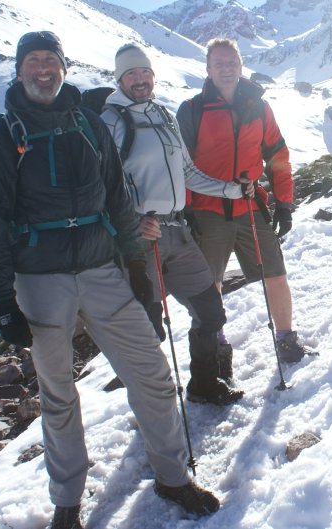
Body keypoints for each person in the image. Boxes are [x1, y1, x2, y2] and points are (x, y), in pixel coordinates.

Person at [0, 31, 219, 529]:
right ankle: (68, 503)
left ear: (63, 67)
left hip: (103, 267)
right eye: (33, 62)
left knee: (151, 372)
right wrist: (2, 301)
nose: (43, 69)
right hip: (40, 279)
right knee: (58, 392)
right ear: (19, 70)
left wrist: (135, 266)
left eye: (51, 61)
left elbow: (116, 197)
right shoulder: (4, 133)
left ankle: (172, 476)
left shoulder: (88, 122)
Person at [100, 43, 248, 406]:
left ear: (153, 75)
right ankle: (156, 404)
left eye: (145, 72)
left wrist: (230, 190)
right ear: (120, 79)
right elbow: (101, 184)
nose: (140, 79)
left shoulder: (163, 117)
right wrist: (134, 221)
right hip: (139, 242)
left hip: (179, 233)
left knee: (210, 311)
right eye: (131, 73)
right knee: (148, 328)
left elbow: (186, 172)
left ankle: (204, 384)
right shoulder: (109, 122)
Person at [177, 38, 313, 364]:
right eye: (219, 63)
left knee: (275, 273)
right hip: (207, 210)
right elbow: (178, 165)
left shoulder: (258, 106)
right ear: (208, 70)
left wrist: (283, 203)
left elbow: (277, 154)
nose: (226, 68)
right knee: (211, 286)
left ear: (241, 65)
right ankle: (216, 348)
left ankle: (286, 338)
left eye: (232, 62)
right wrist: (185, 210)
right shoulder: (193, 109)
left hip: (251, 205)